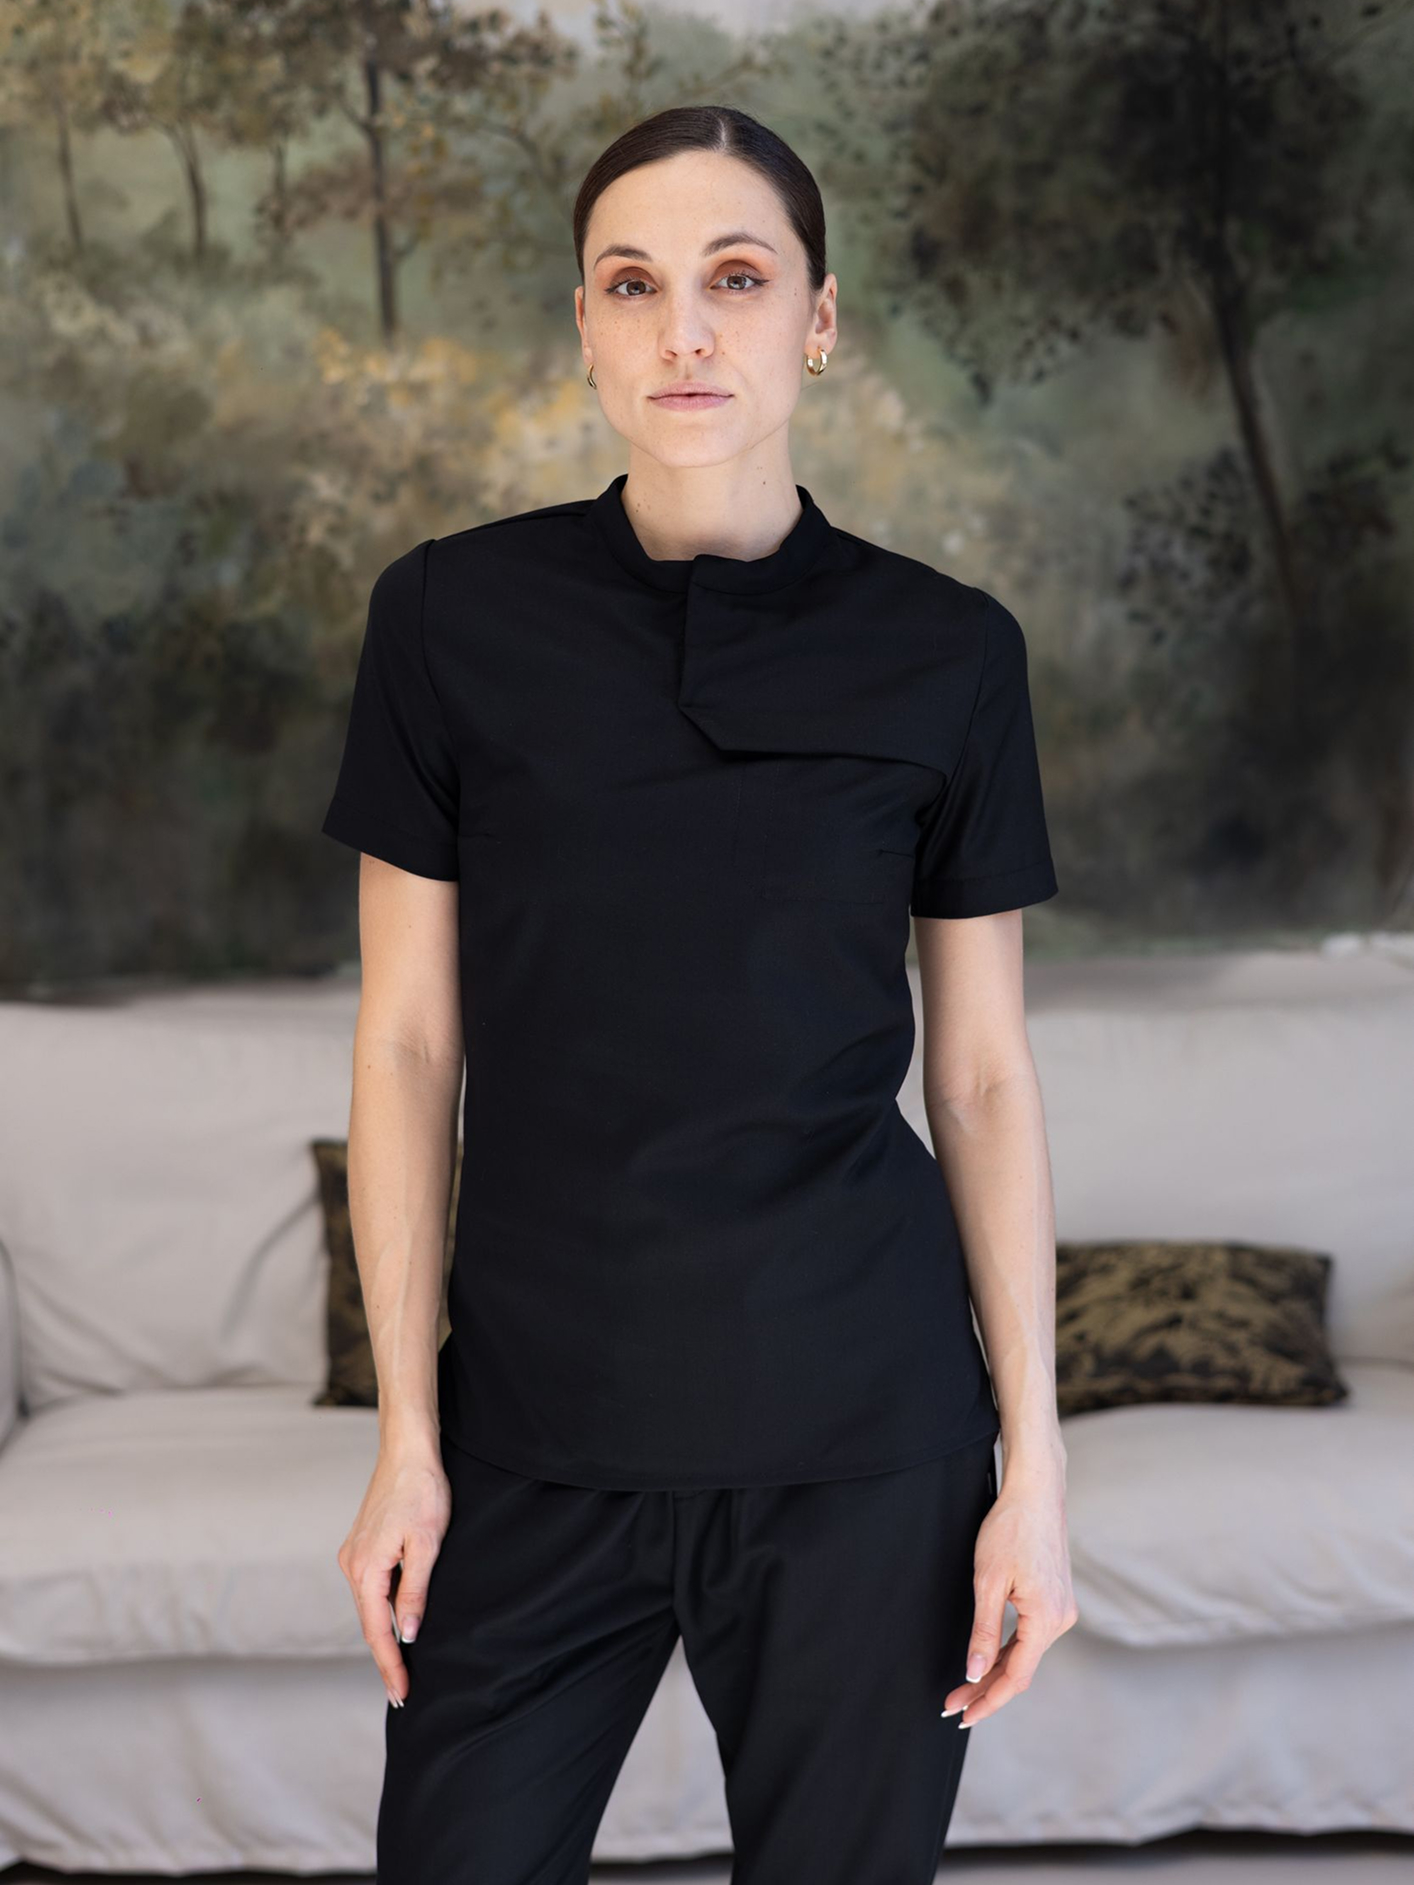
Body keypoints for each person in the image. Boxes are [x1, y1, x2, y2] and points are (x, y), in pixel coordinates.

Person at [322, 103, 1078, 1885]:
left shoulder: (948, 651)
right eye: (631, 284)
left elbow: (980, 1077)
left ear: (817, 319)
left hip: (862, 1429)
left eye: (736, 279)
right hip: (529, 1428)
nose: (683, 330)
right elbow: (409, 1044)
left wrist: (1033, 1470)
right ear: (581, 327)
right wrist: (406, 1437)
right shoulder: (442, 618)